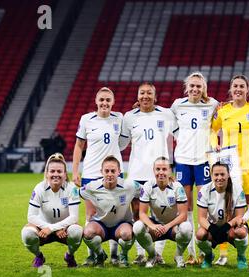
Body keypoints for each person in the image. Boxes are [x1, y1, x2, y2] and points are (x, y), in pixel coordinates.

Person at [210, 74, 249, 266]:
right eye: (235, 86)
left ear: (247, 89)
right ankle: (223, 254)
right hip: (228, 169)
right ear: (230, 89)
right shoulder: (222, 110)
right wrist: (215, 144)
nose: (238, 89)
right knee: (225, 212)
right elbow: (211, 130)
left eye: (242, 86)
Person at [121, 82, 176, 265]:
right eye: (142, 93)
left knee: (161, 214)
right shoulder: (129, 117)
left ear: (155, 96)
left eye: (149, 93)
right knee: (137, 214)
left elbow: (181, 135)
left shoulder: (166, 114)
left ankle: (157, 253)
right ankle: (140, 253)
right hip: (137, 173)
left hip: (159, 173)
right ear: (137, 97)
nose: (145, 96)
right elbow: (121, 144)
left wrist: (172, 168)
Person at [72, 87, 125, 266]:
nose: (104, 103)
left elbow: (125, 141)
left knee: (115, 213)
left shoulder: (120, 118)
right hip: (91, 173)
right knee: (91, 213)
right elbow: (79, 146)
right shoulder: (86, 119)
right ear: (96, 101)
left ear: (113, 102)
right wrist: (75, 171)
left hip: (114, 173)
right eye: (101, 99)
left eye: (108, 100)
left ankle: (115, 254)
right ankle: (94, 254)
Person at [171, 71, 219, 264]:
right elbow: (171, 124)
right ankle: (190, 251)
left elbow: (224, 114)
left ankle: (204, 249)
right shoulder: (177, 105)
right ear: (186, 87)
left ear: (203, 88)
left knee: (203, 205)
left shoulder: (212, 103)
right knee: (186, 206)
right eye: (192, 86)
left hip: (203, 160)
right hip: (182, 159)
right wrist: (182, 138)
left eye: (198, 86)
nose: (195, 89)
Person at [21, 153, 83, 268]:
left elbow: (74, 217)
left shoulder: (72, 188)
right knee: (27, 234)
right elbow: (31, 216)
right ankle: (39, 256)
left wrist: (54, 228)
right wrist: (49, 228)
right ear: (47, 173)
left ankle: (69, 255)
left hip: (64, 229)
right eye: (52, 171)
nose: (56, 174)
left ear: (65, 174)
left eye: (59, 172)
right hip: (43, 228)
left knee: (77, 231)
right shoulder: (39, 188)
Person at [80, 156, 140, 267]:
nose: (109, 174)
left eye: (113, 171)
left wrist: (169, 184)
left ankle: (123, 255)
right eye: (106, 171)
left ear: (119, 172)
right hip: (100, 225)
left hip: (121, 225)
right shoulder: (92, 186)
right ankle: (100, 254)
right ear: (101, 172)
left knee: (127, 234)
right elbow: (76, 192)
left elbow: (148, 191)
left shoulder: (130, 185)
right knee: (87, 233)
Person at [133, 157, 192, 268]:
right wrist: (153, 226)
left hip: (173, 226)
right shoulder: (148, 186)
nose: (161, 172)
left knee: (187, 228)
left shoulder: (177, 187)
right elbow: (142, 213)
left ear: (170, 171)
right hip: (155, 226)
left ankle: (178, 255)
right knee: (137, 227)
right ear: (153, 170)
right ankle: (152, 255)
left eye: (164, 169)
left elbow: (183, 215)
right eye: (158, 169)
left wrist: (167, 226)